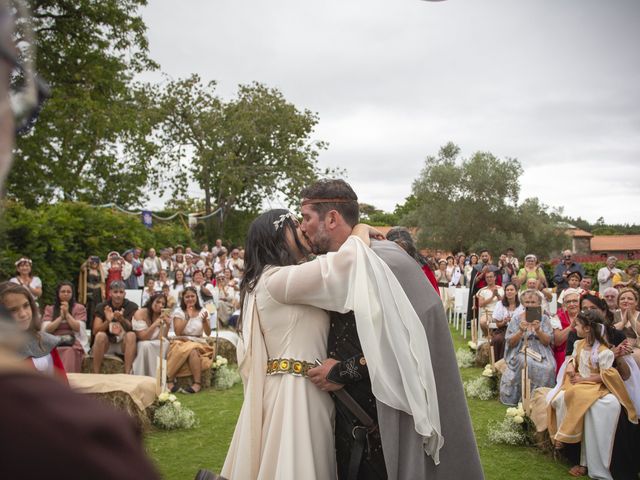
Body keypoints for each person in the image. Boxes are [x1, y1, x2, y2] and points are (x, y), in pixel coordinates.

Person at [297, 180, 482, 480]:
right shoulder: (332, 265)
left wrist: (343, 371)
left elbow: (410, 345)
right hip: (346, 421)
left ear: (331, 218)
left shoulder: (388, 262)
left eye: (306, 218)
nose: (302, 227)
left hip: (385, 426)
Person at [548, 310, 637, 479]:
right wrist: (570, 368)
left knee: (605, 404)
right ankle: (568, 442)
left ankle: (595, 459)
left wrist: (584, 379)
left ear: (588, 328)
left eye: (578, 325)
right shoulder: (578, 344)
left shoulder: (604, 351)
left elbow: (607, 374)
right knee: (565, 397)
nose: (575, 328)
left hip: (596, 386)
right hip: (579, 384)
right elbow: (574, 359)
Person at [500, 289, 556, 406]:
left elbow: (547, 341)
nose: (529, 305)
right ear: (523, 303)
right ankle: (526, 397)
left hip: (541, 350)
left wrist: (538, 330)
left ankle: (540, 398)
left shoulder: (544, 319)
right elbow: (510, 342)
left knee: (549, 367)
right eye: (527, 302)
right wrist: (520, 331)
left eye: (533, 302)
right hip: (521, 349)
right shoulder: (516, 319)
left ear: (539, 303)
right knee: (527, 363)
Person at [0, 282, 66, 380]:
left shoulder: (44, 341)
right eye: (13, 310)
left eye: (26, 305)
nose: (23, 314)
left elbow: (62, 383)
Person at [166, 286, 213, 394]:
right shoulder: (179, 311)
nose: (190, 299)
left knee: (192, 348)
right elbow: (178, 332)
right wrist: (188, 316)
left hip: (198, 341)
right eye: (187, 297)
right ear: (183, 299)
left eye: (192, 296)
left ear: (197, 297)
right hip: (182, 340)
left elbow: (208, 333)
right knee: (185, 348)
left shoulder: (204, 311)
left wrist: (205, 321)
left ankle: (197, 384)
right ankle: (170, 381)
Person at [91, 280, 138, 374]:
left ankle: (127, 373)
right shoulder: (101, 306)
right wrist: (108, 320)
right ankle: (96, 373)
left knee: (131, 335)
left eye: (121, 292)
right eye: (115, 292)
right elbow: (95, 331)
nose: (118, 295)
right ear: (110, 293)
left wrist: (121, 319)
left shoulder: (132, 306)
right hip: (107, 343)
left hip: (123, 343)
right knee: (100, 335)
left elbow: (133, 328)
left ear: (125, 294)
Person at [41, 282, 88, 373]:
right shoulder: (50, 309)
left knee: (70, 351)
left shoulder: (79, 308)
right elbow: (47, 329)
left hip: (72, 341)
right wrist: (60, 318)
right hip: (54, 340)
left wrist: (67, 314)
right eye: (63, 291)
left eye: (68, 292)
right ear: (58, 293)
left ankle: (68, 379)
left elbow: (77, 328)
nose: (66, 294)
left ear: (72, 293)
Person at [385, 226, 439, 294]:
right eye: (396, 250)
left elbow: (433, 295)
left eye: (403, 250)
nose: (399, 254)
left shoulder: (422, 267)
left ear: (410, 248)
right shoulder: (383, 265)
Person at [131, 293, 171, 377]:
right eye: (158, 302)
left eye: (163, 304)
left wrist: (167, 325)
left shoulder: (163, 314)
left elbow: (163, 337)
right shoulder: (141, 313)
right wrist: (154, 324)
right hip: (142, 342)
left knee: (165, 343)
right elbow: (142, 337)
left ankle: (160, 377)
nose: (160, 305)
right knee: (145, 345)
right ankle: (143, 375)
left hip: (156, 341)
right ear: (152, 301)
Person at [551, 288, 581, 373]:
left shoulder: (585, 315)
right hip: (563, 352)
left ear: (580, 302)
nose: (572, 304)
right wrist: (571, 326)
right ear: (564, 304)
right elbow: (558, 341)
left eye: (575, 301)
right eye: (568, 302)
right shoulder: (557, 317)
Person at [491, 283, 523, 361]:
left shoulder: (521, 305)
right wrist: (504, 322)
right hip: (504, 329)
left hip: (518, 330)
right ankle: (498, 363)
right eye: (507, 290)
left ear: (516, 292)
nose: (509, 292)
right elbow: (498, 325)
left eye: (511, 290)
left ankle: (511, 362)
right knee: (498, 340)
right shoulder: (500, 304)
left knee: (515, 340)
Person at [78, 255, 106, 332]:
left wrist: (103, 292)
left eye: (96, 262)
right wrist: (88, 260)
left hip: (98, 292)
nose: (94, 263)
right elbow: (82, 268)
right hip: (89, 291)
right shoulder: (86, 270)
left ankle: (97, 325)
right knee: (89, 309)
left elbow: (102, 283)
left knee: (98, 308)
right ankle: (88, 327)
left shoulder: (100, 271)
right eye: (92, 262)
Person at [615, 288, 640, 368]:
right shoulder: (613, 315)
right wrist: (623, 322)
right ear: (618, 303)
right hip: (617, 348)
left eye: (630, 299)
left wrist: (631, 318)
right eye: (622, 299)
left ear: (636, 302)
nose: (626, 301)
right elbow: (610, 332)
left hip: (637, 348)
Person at [476, 270, 504, 338]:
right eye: (487, 277)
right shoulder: (482, 290)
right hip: (487, 313)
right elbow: (481, 304)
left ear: (495, 278)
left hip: (500, 313)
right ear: (485, 279)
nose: (489, 279)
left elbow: (504, 303)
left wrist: (497, 295)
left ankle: (494, 336)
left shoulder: (501, 289)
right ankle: (487, 336)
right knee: (482, 322)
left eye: (491, 277)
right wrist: (492, 296)